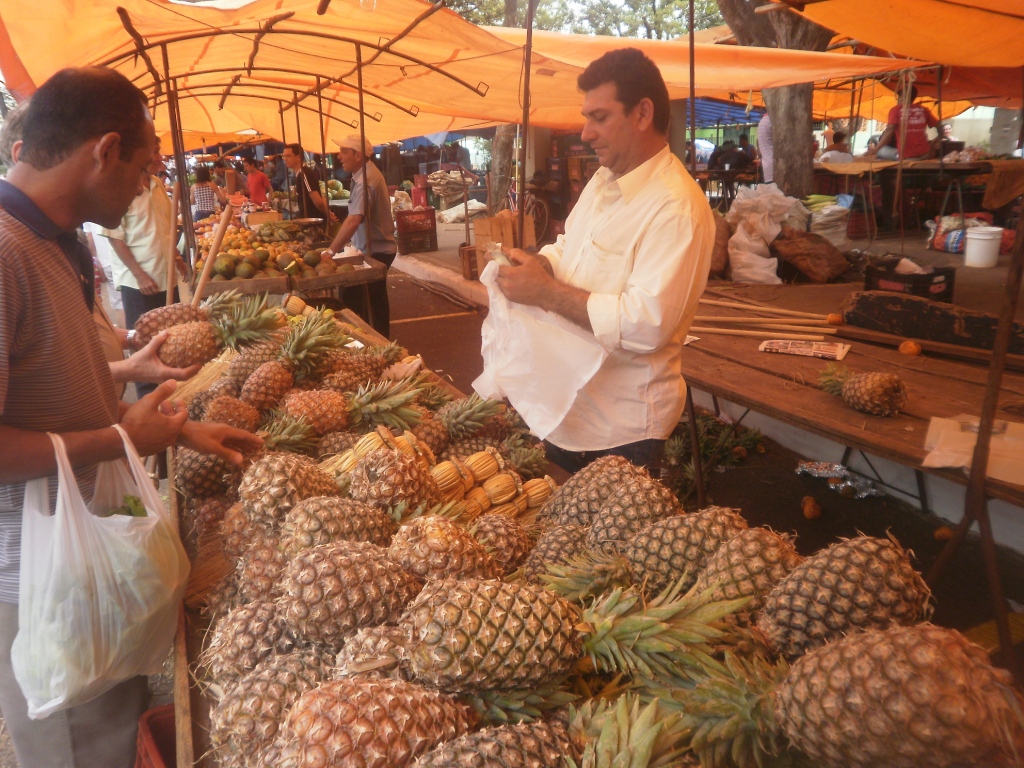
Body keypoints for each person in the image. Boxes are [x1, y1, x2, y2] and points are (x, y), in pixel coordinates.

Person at [0, 65, 261, 768]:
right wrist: (122, 436)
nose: (148, 188)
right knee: (78, 748)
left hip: (83, 553)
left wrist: (175, 429)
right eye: (145, 169)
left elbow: (50, 390)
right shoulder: (3, 251)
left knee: (111, 735)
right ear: (104, 150)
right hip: (37, 574)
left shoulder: (55, 241)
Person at [493, 48, 714, 474]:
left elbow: (646, 323)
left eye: (599, 117)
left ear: (643, 113)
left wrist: (546, 293)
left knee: (602, 542)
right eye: (586, 117)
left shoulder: (676, 207)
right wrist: (540, 264)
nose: (585, 132)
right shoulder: (601, 180)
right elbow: (568, 246)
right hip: (568, 404)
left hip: (622, 428)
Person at [97, 136, 188, 399]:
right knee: (143, 341)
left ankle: (170, 394)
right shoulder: (121, 188)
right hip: (139, 282)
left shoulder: (158, 184)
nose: (159, 157)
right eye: (155, 152)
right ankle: (148, 401)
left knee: (170, 340)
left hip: (164, 275)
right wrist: (139, 273)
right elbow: (114, 237)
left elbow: (165, 228)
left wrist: (177, 258)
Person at [322, 135, 398, 337]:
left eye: (344, 152)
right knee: (374, 301)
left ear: (357, 155)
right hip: (373, 248)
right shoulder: (362, 176)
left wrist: (331, 251)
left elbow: (354, 219)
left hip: (377, 251)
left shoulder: (366, 180)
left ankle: (371, 342)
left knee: (358, 300)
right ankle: (381, 340)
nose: (339, 157)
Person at [867, 85, 937, 161]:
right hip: (925, 153)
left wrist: (876, 149)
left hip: (907, 156)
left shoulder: (896, 110)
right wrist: (935, 143)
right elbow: (941, 127)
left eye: (898, 97)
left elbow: (889, 131)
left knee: (881, 150)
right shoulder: (924, 110)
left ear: (902, 97)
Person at [282, 143, 329, 219]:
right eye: (284, 156)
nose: (285, 159)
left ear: (298, 157)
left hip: (312, 221)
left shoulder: (304, 174)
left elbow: (318, 201)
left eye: (288, 156)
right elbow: (321, 196)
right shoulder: (301, 173)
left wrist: (327, 214)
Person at [757, 111, 774, 183]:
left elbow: (759, 152)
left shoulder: (763, 121)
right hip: (774, 167)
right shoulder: (771, 121)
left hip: (767, 166)